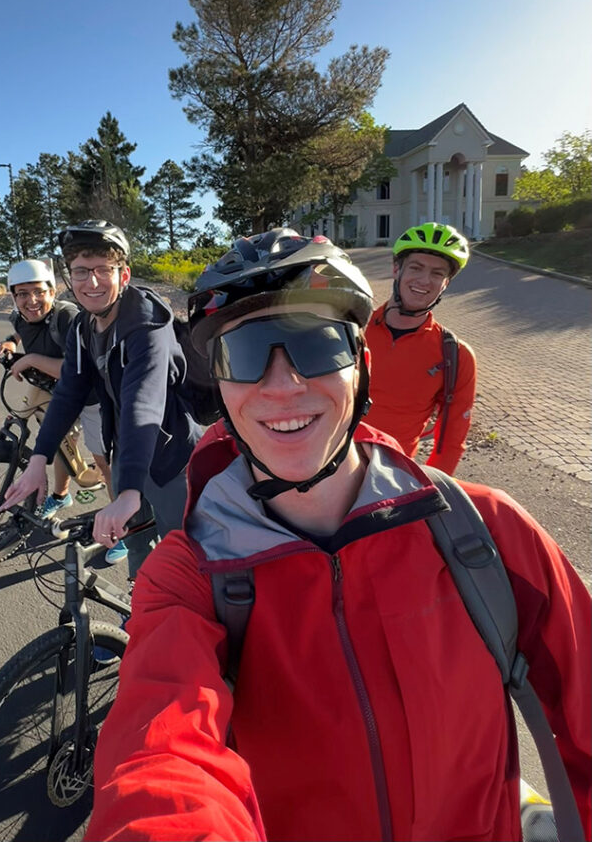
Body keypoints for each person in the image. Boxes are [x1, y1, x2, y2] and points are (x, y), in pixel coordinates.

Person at [85, 228, 591, 842]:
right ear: (220, 387)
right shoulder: (188, 573)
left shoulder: (486, 532)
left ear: (362, 367)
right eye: (246, 355)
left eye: (317, 347)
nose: (281, 386)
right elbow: (159, 753)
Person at [3, 221, 202, 581]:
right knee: (139, 545)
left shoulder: (148, 328)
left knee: (185, 555)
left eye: (102, 270)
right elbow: (68, 393)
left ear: (123, 275)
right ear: (69, 278)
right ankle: (143, 609)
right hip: (127, 453)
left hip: (173, 460)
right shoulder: (83, 326)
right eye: (81, 271)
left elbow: (144, 404)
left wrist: (127, 492)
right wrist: (38, 459)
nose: (91, 282)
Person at [0, 259, 121, 557]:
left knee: (106, 462)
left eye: (38, 292)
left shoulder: (69, 317)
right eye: (22, 294)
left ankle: (121, 527)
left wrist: (31, 360)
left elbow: (77, 369)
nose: (31, 301)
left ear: (53, 291)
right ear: (13, 296)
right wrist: (10, 342)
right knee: (60, 441)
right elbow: (24, 328)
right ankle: (61, 496)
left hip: (91, 394)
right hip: (52, 388)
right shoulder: (20, 315)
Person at [365, 222, 476, 474]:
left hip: (393, 475)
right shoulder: (354, 328)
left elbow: (451, 441)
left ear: (445, 283)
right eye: (416, 267)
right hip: (331, 467)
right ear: (396, 269)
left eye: (437, 273)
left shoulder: (455, 355)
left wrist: (428, 491)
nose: (425, 280)